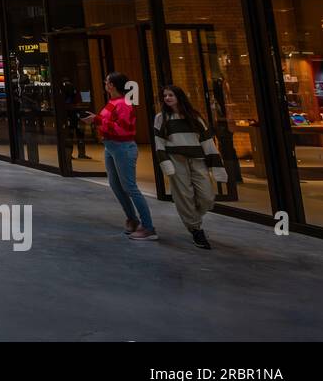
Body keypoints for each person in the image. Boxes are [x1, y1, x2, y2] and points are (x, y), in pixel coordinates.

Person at [81, 72, 157, 241]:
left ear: (112, 85)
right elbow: (106, 122)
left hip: (122, 147)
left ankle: (148, 226)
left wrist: (97, 121)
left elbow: (123, 128)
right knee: (115, 185)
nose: (105, 84)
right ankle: (132, 219)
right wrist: (95, 120)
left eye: (107, 82)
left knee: (130, 187)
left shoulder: (123, 104)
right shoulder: (112, 103)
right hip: (110, 146)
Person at [154, 86, 228, 249]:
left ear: (179, 96)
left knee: (207, 197)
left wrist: (216, 164)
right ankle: (195, 229)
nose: (167, 98)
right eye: (165, 96)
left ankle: (192, 217)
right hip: (176, 159)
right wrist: (165, 163)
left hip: (197, 159)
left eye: (171, 95)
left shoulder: (195, 117)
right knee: (184, 195)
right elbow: (159, 144)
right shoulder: (161, 118)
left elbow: (207, 141)